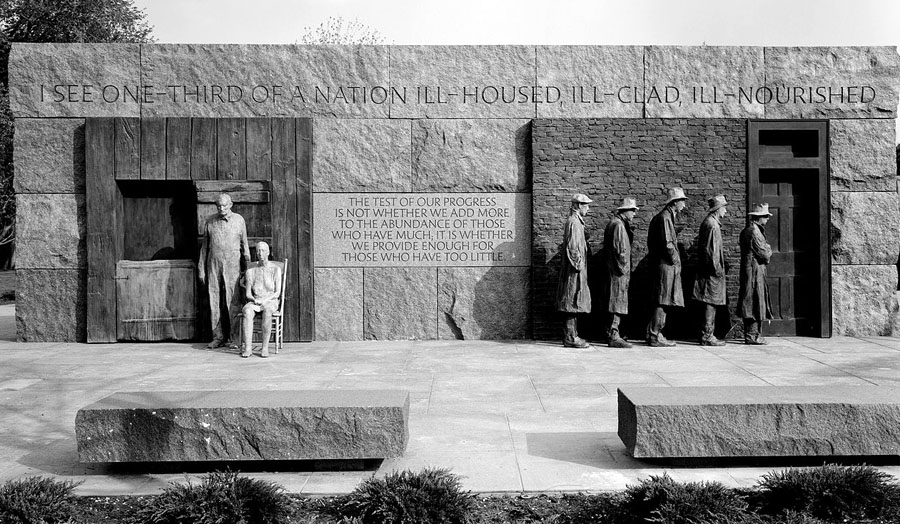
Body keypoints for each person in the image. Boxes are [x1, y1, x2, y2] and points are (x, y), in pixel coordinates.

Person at [199, 193, 251, 349]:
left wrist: (247, 268)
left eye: (224, 205)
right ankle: (218, 336)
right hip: (213, 264)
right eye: (219, 206)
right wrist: (201, 268)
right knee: (214, 301)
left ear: (231, 204)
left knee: (233, 301)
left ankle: (235, 338)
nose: (221, 208)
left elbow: (245, 246)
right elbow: (204, 248)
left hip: (233, 265)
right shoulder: (210, 221)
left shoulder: (239, 220)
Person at [646, 187, 687, 347]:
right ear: (675, 202)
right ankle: (655, 335)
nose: (684, 204)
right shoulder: (665, 218)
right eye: (682, 201)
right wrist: (677, 260)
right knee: (663, 300)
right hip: (665, 265)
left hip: (663, 264)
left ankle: (654, 333)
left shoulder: (666, 217)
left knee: (662, 299)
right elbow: (668, 244)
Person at [556, 193, 593, 348]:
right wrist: (578, 265)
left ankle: (573, 335)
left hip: (577, 270)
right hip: (574, 271)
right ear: (578, 206)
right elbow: (572, 248)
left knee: (575, 301)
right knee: (571, 301)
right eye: (586, 205)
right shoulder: (573, 222)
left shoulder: (577, 222)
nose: (588, 209)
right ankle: (570, 337)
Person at [692, 194, 728, 346]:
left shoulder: (710, 222)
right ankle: (707, 335)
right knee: (711, 303)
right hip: (711, 273)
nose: (725, 211)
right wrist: (718, 270)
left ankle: (707, 334)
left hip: (707, 271)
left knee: (710, 302)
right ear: (718, 209)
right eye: (724, 208)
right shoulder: (712, 225)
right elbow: (712, 252)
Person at [603, 197, 638, 348]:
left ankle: (613, 332)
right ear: (625, 211)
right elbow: (620, 251)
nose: (634, 214)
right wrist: (624, 269)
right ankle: (613, 334)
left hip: (614, 270)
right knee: (616, 302)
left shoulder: (616, 223)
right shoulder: (618, 225)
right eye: (633, 211)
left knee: (615, 301)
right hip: (617, 272)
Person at [738, 203, 774, 345]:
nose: (767, 219)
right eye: (765, 216)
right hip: (754, 271)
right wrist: (769, 249)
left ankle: (753, 334)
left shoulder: (750, 230)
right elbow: (765, 254)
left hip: (752, 270)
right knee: (754, 300)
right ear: (759, 217)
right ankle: (752, 335)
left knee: (753, 300)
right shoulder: (754, 232)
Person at [241, 241, 282, 358]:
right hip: (256, 300)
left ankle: (264, 347)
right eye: (258, 250)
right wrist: (254, 299)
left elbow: (277, 292)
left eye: (263, 250)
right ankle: (248, 348)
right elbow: (248, 293)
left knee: (268, 310)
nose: (260, 253)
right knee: (247, 311)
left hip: (270, 300)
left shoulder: (275, 270)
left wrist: (265, 300)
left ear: (268, 252)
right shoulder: (251, 271)